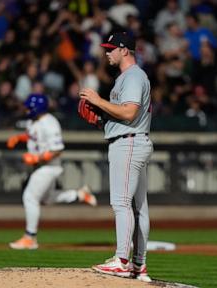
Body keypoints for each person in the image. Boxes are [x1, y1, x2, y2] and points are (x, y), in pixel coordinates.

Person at [79, 32, 153, 282]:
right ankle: (138, 266)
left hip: (129, 143)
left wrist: (98, 101)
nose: (107, 53)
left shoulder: (132, 76)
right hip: (133, 139)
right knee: (138, 207)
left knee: (122, 203)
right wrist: (102, 119)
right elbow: (123, 115)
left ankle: (122, 261)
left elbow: (130, 112)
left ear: (125, 50)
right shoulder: (129, 77)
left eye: (111, 48)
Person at [7, 93, 97, 250]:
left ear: (38, 108)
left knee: (30, 197)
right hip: (42, 166)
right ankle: (80, 194)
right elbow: (32, 135)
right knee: (47, 198)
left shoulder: (50, 123)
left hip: (49, 167)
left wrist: (36, 159)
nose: (27, 110)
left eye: (30, 107)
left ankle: (30, 237)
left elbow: (57, 149)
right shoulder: (33, 121)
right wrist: (19, 138)